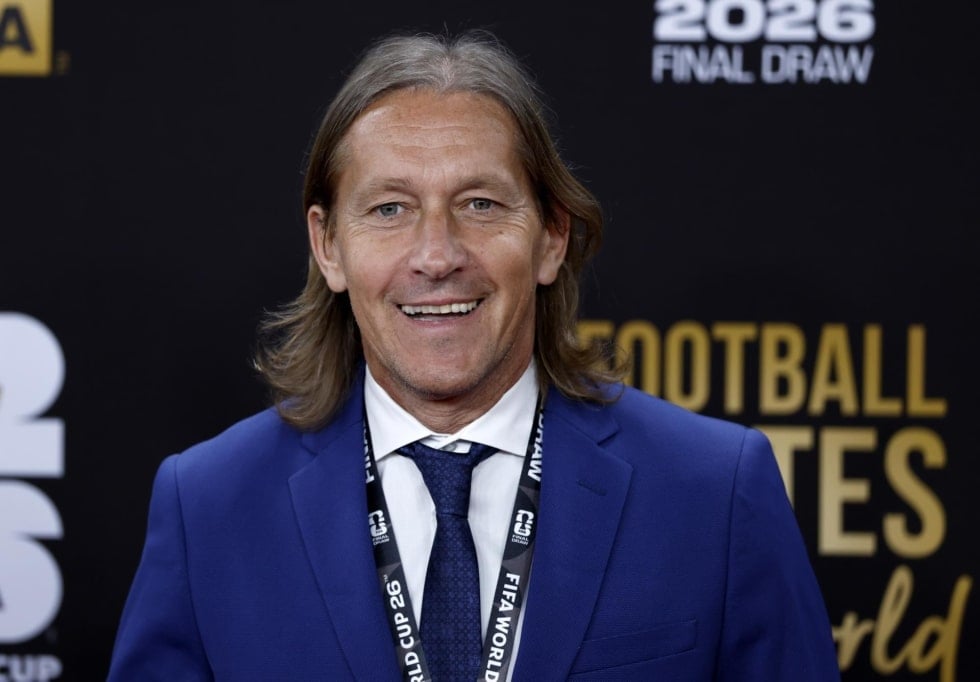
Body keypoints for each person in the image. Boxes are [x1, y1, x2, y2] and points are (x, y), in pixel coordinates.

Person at [107, 29, 841, 681]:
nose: (436, 255)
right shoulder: (208, 506)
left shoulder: (715, 491)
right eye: (389, 208)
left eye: (481, 204)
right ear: (328, 246)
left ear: (551, 237)